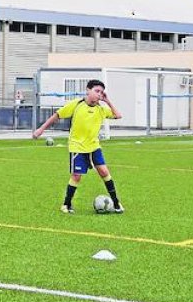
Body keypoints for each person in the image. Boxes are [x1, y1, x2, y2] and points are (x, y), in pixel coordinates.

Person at [31, 79, 124, 214]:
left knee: (104, 172)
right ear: (88, 90)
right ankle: (66, 204)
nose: (99, 94)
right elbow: (57, 116)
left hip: (94, 146)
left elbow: (118, 115)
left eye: (101, 92)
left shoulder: (101, 109)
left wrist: (107, 101)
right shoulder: (76, 104)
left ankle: (116, 203)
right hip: (77, 146)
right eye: (97, 91)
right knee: (76, 176)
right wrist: (41, 129)